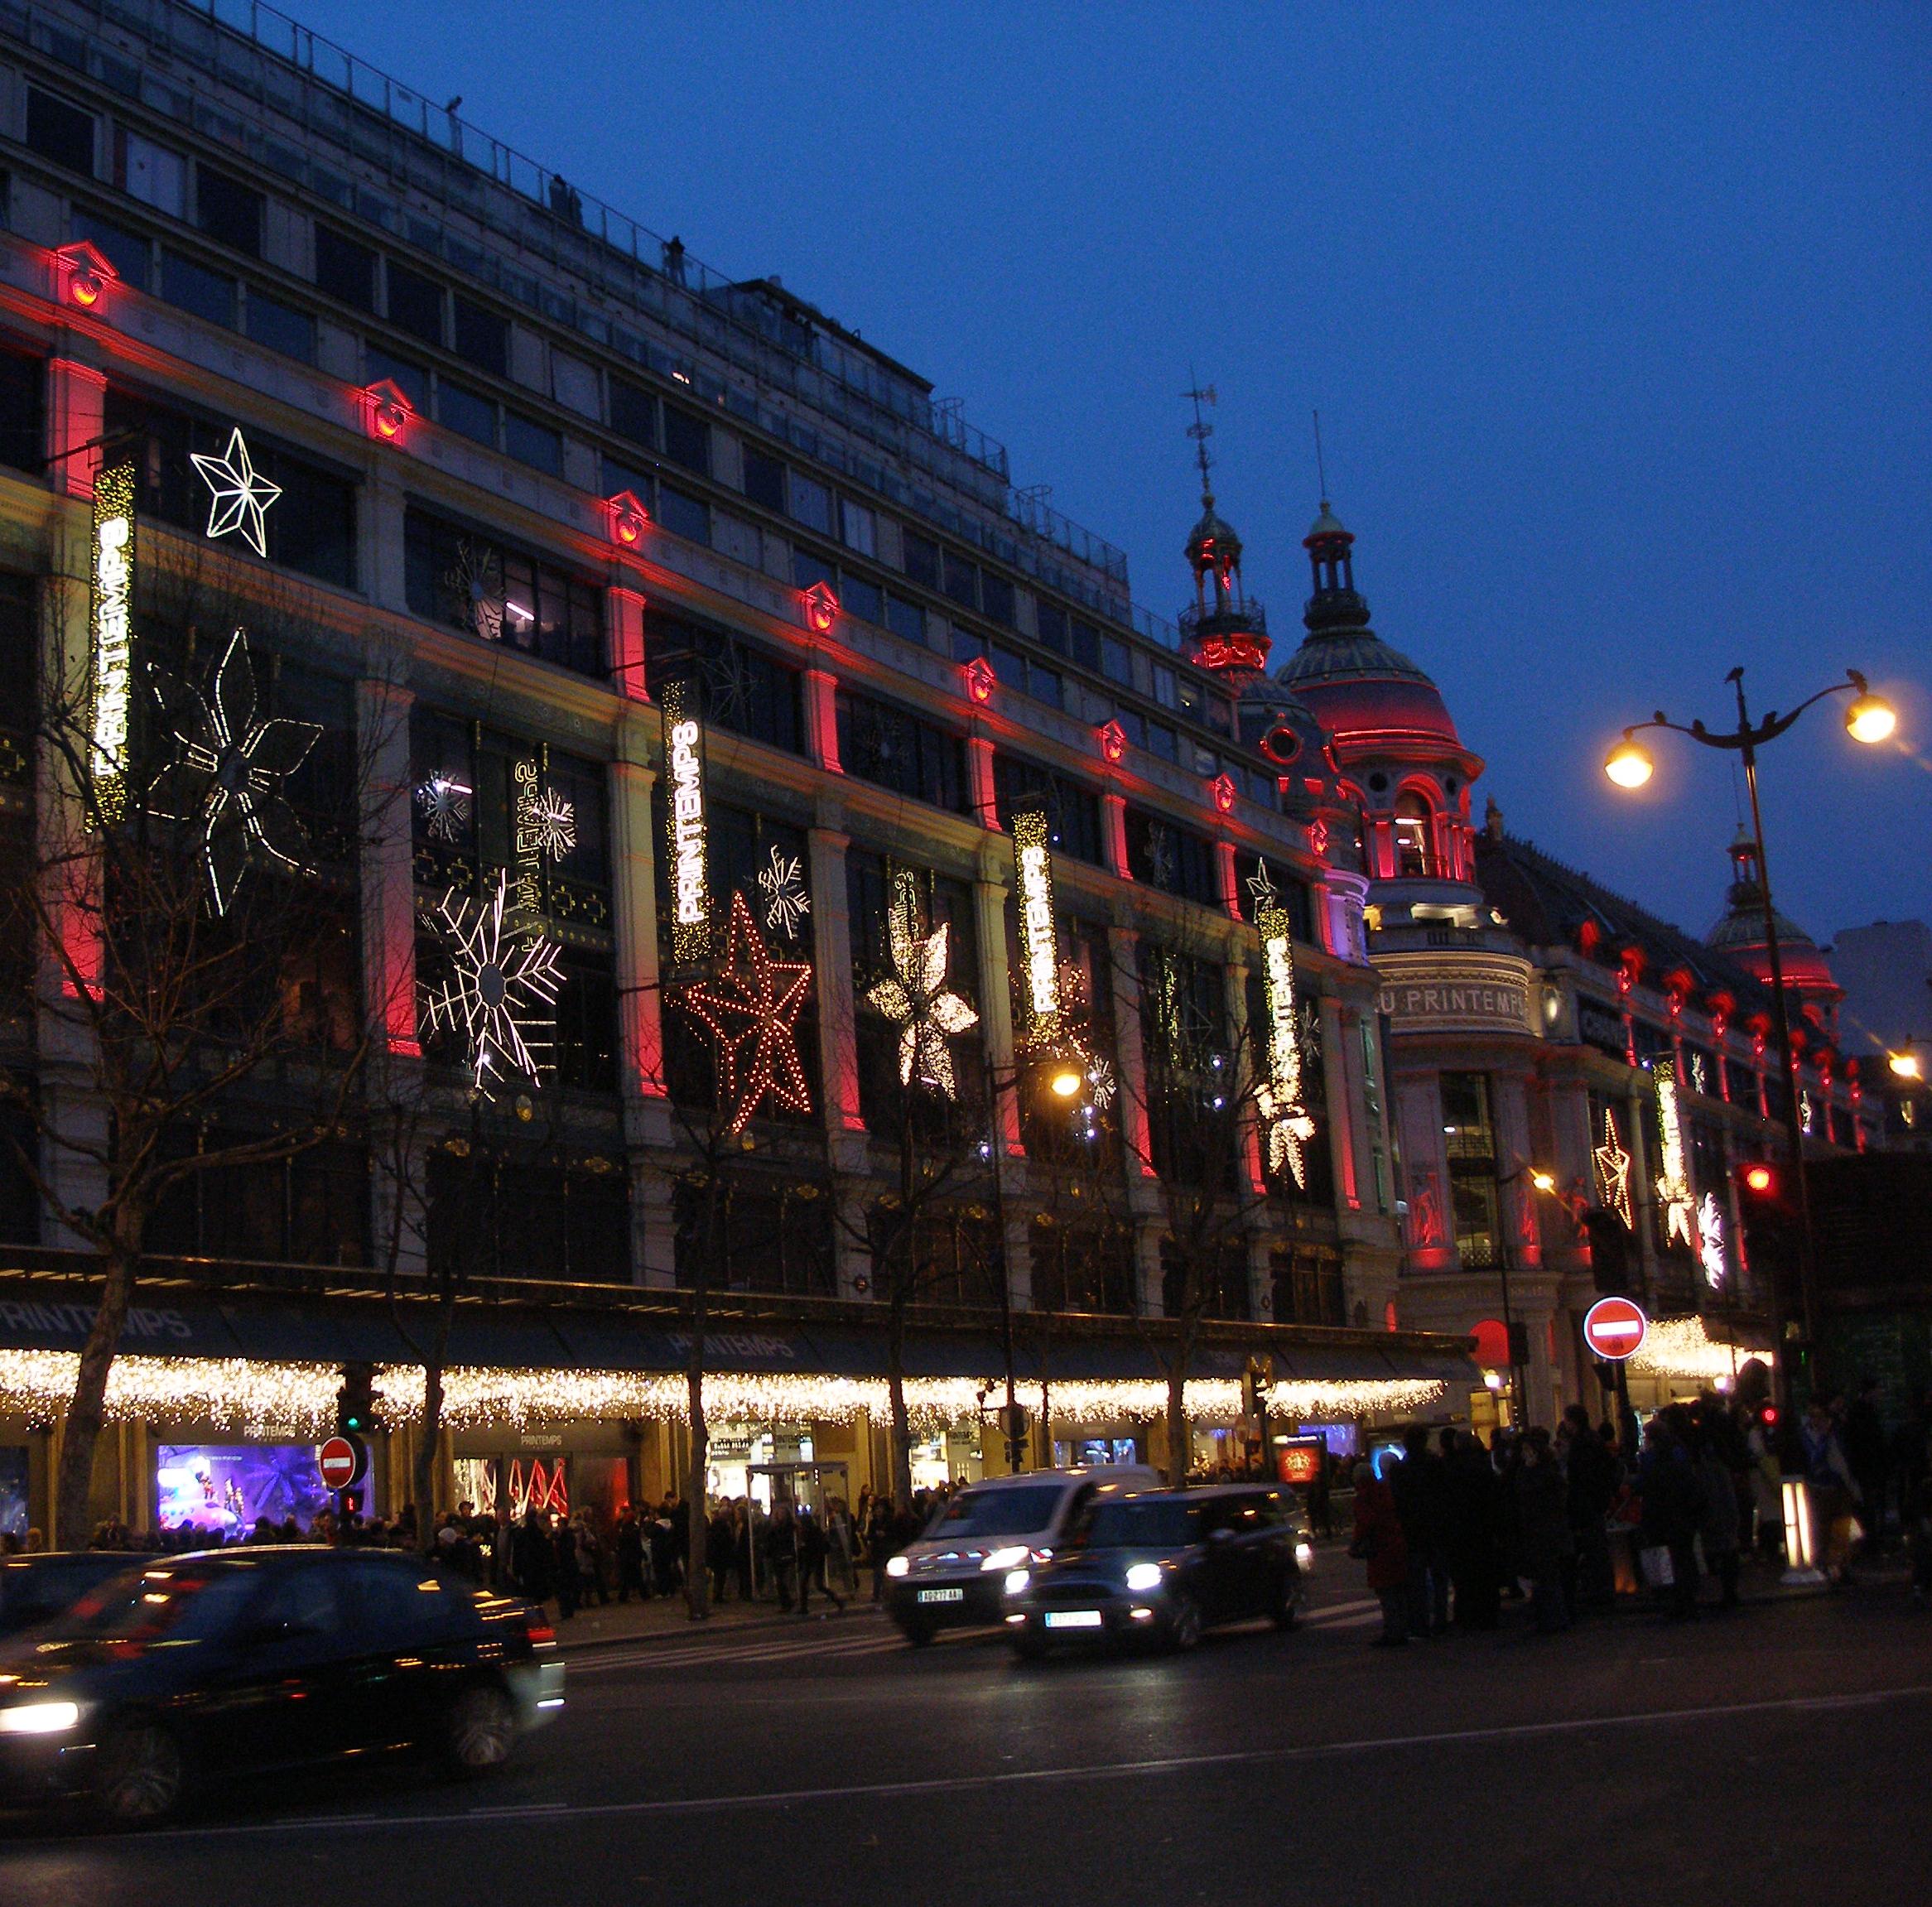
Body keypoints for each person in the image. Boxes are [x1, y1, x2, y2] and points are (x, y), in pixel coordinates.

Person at [1637, 1412, 1703, 1619]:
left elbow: (1650, 1483)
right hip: (1682, 1512)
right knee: (1683, 1555)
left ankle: (1677, 1600)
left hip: (1667, 1513)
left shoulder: (1657, 1458)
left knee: (1674, 1557)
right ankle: (1687, 1598)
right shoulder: (1678, 1452)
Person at [1389, 1427, 1451, 1638]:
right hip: (1434, 1528)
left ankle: (1420, 1622)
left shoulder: (1400, 1469)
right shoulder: (1435, 1465)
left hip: (1413, 1530)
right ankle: (1440, 1619)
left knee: (1417, 1580)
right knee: (1438, 1577)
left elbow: (1397, 1502)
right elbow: (1445, 1496)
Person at [1513, 1428, 1573, 1634]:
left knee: (1547, 1577)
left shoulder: (1539, 1475)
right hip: (1543, 1531)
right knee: (1546, 1577)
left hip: (1543, 1531)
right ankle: (1551, 1616)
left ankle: (1553, 1617)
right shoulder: (1547, 1472)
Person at [1559, 1404, 1618, 1607]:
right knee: (1597, 1549)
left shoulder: (1581, 1444)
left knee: (1594, 1549)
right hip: (1594, 1501)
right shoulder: (1593, 1440)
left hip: (1587, 1503)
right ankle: (1602, 1591)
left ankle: (1600, 1593)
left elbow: (1581, 1477)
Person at [1350, 1460, 1409, 1646]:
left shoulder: (1363, 1498)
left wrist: (1355, 1544)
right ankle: (1401, 1628)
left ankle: (1392, 1631)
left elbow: (1365, 1523)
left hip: (1379, 1547)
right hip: (1395, 1542)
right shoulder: (1385, 1491)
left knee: (1386, 1592)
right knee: (1398, 1590)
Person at [1690, 1406, 1742, 1610]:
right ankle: (1729, 1591)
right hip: (1722, 1503)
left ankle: (1725, 1590)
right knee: (1728, 1549)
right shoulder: (1721, 1449)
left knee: (1719, 1549)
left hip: (1714, 1504)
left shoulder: (1705, 1455)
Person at [1843, 1378, 1891, 1557]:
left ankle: (1869, 1544)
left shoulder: (1856, 1413)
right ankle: (1871, 1544)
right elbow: (1870, 1442)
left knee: (1867, 1506)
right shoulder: (1865, 1414)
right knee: (1869, 1507)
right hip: (1868, 1467)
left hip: (1864, 1467)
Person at [796, 1505, 844, 1616]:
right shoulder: (811, 1531)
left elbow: (814, 1547)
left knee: (813, 1584)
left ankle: (837, 1601)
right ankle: (805, 1607)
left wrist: (804, 1548)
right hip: (813, 1560)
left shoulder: (811, 1532)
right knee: (811, 1584)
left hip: (814, 1560)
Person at [614, 1506, 648, 1602]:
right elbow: (636, 1543)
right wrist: (641, 1553)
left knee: (626, 1577)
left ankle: (623, 1596)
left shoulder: (623, 1528)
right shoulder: (634, 1529)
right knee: (637, 1576)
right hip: (632, 1555)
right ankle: (643, 1594)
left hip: (626, 1555)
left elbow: (621, 1542)